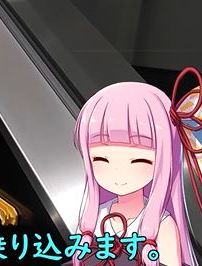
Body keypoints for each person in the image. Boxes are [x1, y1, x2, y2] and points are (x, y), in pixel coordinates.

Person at [73, 81, 195, 265]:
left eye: (139, 161)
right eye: (101, 159)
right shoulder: (91, 219)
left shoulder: (162, 226)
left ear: (163, 162)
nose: (118, 173)